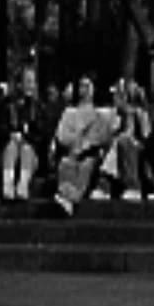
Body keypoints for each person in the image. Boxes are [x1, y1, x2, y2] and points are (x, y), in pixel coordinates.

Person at [51, 74, 115, 215]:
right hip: (71, 152)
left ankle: (70, 197)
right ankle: (65, 195)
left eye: (87, 86)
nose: (84, 89)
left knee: (86, 165)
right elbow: (61, 135)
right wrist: (76, 140)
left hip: (90, 154)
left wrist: (86, 144)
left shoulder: (100, 115)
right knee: (65, 163)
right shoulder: (69, 112)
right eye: (81, 85)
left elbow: (102, 138)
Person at [92, 79, 151, 203]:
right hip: (115, 150)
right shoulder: (112, 115)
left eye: (118, 96)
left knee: (123, 142)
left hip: (135, 151)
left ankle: (109, 184)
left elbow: (147, 137)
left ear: (126, 98)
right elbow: (105, 136)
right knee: (117, 143)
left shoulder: (140, 114)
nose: (114, 99)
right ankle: (115, 185)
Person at [0, 65, 42, 202]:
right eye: (27, 81)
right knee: (11, 146)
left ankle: (23, 185)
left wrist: (25, 137)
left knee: (26, 148)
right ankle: (8, 186)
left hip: (30, 156)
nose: (31, 86)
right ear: (19, 84)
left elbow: (41, 135)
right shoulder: (6, 105)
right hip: (7, 155)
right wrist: (11, 135)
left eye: (32, 82)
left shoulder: (38, 107)